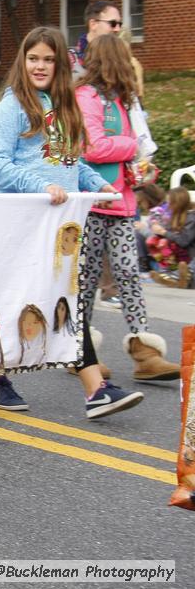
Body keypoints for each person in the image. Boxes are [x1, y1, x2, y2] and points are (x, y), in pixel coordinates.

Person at [0, 26, 143, 419]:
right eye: (33, 58)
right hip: (19, 223)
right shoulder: (11, 108)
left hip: (58, 227)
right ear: (23, 61)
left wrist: (98, 183)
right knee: (18, 301)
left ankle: (93, 389)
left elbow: (71, 162)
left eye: (48, 60)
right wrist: (41, 186)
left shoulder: (63, 106)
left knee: (61, 300)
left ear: (60, 65)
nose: (39, 66)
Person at [75, 34, 181, 382]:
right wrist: (131, 146)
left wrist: (141, 169)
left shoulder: (121, 101)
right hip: (91, 203)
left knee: (128, 275)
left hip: (120, 203)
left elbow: (125, 151)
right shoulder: (86, 96)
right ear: (115, 61)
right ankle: (80, 352)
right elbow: (92, 146)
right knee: (86, 280)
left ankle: (144, 351)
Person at [150, 187, 194, 288]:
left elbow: (184, 241)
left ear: (179, 203)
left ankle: (179, 275)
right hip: (180, 256)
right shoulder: (174, 217)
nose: (168, 207)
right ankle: (170, 273)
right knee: (154, 240)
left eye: (170, 203)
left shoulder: (192, 218)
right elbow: (168, 234)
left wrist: (163, 232)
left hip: (189, 255)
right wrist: (157, 230)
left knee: (165, 240)